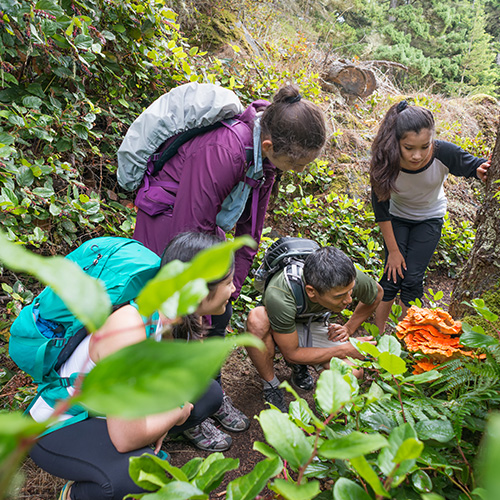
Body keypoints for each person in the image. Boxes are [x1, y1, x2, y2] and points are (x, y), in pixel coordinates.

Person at [132, 84, 327, 430]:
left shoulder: (264, 158)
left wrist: (232, 283)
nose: (299, 170)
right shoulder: (225, 150)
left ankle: (209, 394)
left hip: (206, 227)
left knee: (220, 315)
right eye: (298, 163)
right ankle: (183, 415)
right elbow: (189, 228)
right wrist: (204, 293)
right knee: (179, 321)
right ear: (269, 146)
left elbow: (252, 226)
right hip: (169, 223)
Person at [30, 232, 239, 500]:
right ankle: (76, 494)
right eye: (229, 282)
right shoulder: (129, 328)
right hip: (62, 423)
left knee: (207, 393)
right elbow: (125, 438)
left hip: (104, 413)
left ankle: (115, 454)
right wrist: (174, 414)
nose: (233, 290)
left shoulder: (172, 314)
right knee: (138, 474)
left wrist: (161, 419)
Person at [370, 101, 491, 334]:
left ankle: (407, 338)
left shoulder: (443, 152)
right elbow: (381, 210)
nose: (417, 155)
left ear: (432, 140)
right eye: (409, 147)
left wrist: (479, 170)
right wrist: (393, 252)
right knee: (391, 276)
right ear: (396, 142)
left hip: (429, 218)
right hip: (396, 218)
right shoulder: (385, 161)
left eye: (425, 147)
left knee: (412, 279)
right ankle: (377, 334)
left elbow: (473, 165)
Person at [245, 245, 383, 412]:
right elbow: (292, 353)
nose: (348, 300)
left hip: (313, 322)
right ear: (311, 291)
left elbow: (376, 294)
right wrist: (344, 349)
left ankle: (306, 376)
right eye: (339, 296)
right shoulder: (281, 293)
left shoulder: (345, 277)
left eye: (351, 291)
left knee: (353, 372)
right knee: (256, 319)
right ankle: (271, 385)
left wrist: (349, 328)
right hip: (278, 324)